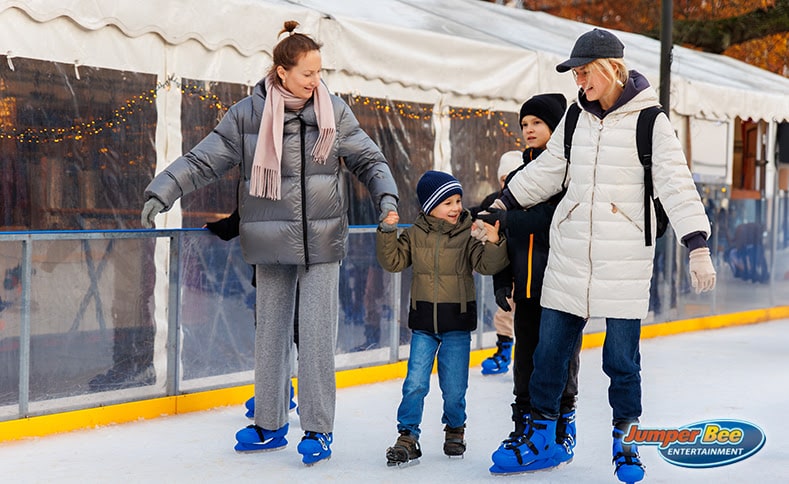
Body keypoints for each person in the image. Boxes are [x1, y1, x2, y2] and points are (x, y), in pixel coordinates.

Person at [141, 20, 399, 466]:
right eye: (306, 74)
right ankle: (270, 423)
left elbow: (369, 159)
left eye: (319, 72)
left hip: (321, 240)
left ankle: (318, 429)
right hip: (268, 238)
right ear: (281, 71)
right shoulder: (248, 114)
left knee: (317, 338)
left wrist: (387, 198)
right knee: (271, 336)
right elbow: (205, 159)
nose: (315, 81)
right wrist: (163, 190)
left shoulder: (332, 111)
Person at [486, 29, 716, 482]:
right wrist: (501, 205)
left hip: (624, 260)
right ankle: (543, 439)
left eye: (584, 72)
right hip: (570, 255)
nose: (579, 82)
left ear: (611, 67)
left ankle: (626, 445)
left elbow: (675, 183)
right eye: (575, 74)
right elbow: (548, 172)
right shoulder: (575, 118)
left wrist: (697, 244)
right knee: (549, 355)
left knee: (622, 362)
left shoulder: (651, 122)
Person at [377, 170, 508, 466]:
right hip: (423, 324)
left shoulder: (469, 233)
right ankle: (408, 436)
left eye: (458, 200)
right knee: (414, 384)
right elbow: (393, 262)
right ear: (429, 206)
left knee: (454, 387)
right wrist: (387, 232)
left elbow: (487, 266)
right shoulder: (414, 234)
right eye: (448, 201)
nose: (456, 207)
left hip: (457, 325)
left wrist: (494, 242)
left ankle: (455, 429)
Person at [482, 93, 584, 475]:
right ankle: (524, 426)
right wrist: (500, 281)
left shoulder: (565, 174)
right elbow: (501, 241)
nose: (528, 130)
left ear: (555, 128)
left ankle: (562, 425)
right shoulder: (515, 181)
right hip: (525, 288)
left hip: (561, 288)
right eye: (524, 124)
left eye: (536, 123)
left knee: (558, 361)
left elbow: (548, 218)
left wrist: (505, 219)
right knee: (524, 362)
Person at [203, 209, 298, 417]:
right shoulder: (258, 186)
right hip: (270, 274)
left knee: (292, 338)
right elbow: (238, 220)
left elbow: (237, 221)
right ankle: (276, 395)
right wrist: (216, 227)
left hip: (295, 273)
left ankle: (301, 401)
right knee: (271, 340)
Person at [473, 150, 521, 375]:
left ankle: (527, 356)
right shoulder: (494, 201)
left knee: (527, 317)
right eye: (503, 179)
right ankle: (503, 352)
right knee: (503, 312)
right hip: (505, 267)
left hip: (527, 267)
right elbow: (478, 213)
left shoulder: (529, 199)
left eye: (511, 177)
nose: (507, 183)